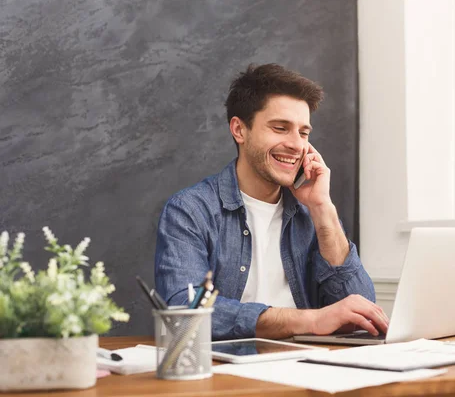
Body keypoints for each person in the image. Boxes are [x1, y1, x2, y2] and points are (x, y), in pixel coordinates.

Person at [155, 63, 389, 340]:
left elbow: (362, 313)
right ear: (239, 130)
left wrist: (322, 208)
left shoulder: (314, 212)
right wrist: (311, 320)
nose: (297, 145)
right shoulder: (190, 210)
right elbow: (184, 311)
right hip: (227, 371)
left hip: (308, 365)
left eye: (303, 133)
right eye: (280, 128)